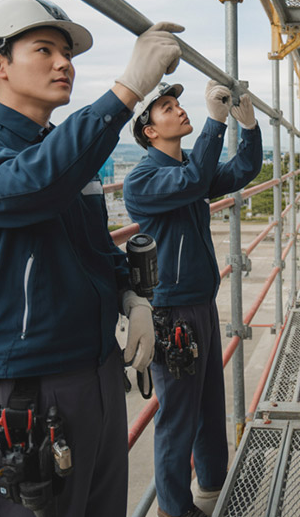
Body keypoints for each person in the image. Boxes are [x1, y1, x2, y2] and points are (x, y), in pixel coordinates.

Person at [0, 0, 184, 517]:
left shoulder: (68, 152)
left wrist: (131, 296)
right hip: (26, 393)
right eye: (44, 49)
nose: (64, 63)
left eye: (68, 54)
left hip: (98, 373)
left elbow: (93, 246)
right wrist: (128, 89)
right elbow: (28, 189)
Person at [123, 79, 263, 517]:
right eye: (167, 107)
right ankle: (173, 509)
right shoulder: (142, 179)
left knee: (208, 402)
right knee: (178, 417)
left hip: (200, 302)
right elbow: (192, 181)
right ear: (149, 131)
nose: (179, 110)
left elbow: (241, 171)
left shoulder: (189, 167)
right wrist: (215, 123)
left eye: (178, 104)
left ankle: (214, 481)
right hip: (171, 312)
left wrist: (249, 128)